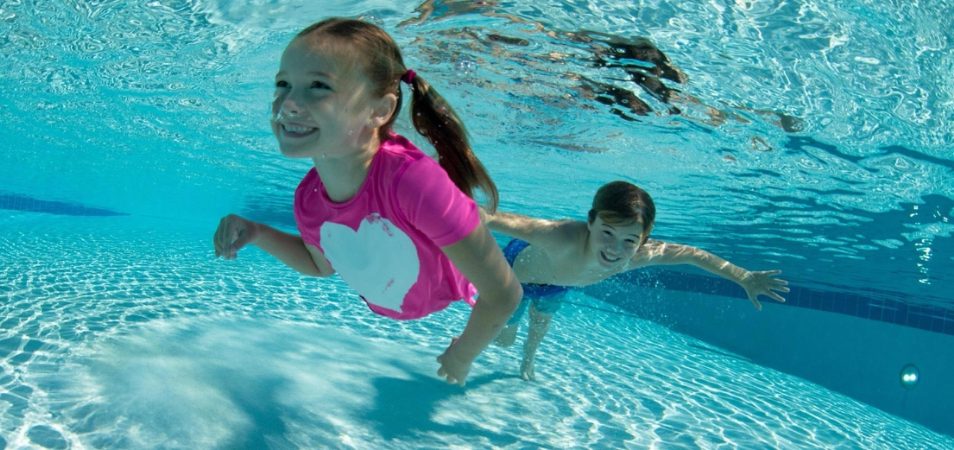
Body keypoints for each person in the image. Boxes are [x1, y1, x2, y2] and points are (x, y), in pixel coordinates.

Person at [212, 18, 522, 386]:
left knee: (509, 302)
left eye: (318, 86)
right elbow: (319, 265)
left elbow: (503, 293)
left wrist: (463, 355)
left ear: (379, 110)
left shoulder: (414, 183)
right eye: (282, 83)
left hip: (453, 295)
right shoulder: (309, 199)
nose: (289, 103)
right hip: (397, 295)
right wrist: (256, 232)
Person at [482, 181, 789, 381]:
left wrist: (744, 277)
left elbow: (695, 255)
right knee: (506, 337)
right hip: (517, 278)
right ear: (590, 221)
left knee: (541, 324)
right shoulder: (559, 237)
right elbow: (488, 217)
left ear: (644, 240)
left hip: (560, 282)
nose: (616, 250)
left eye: (630, 240)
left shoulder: (638, 254)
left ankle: (528, 361)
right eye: (607, 233)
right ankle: (495, 334)